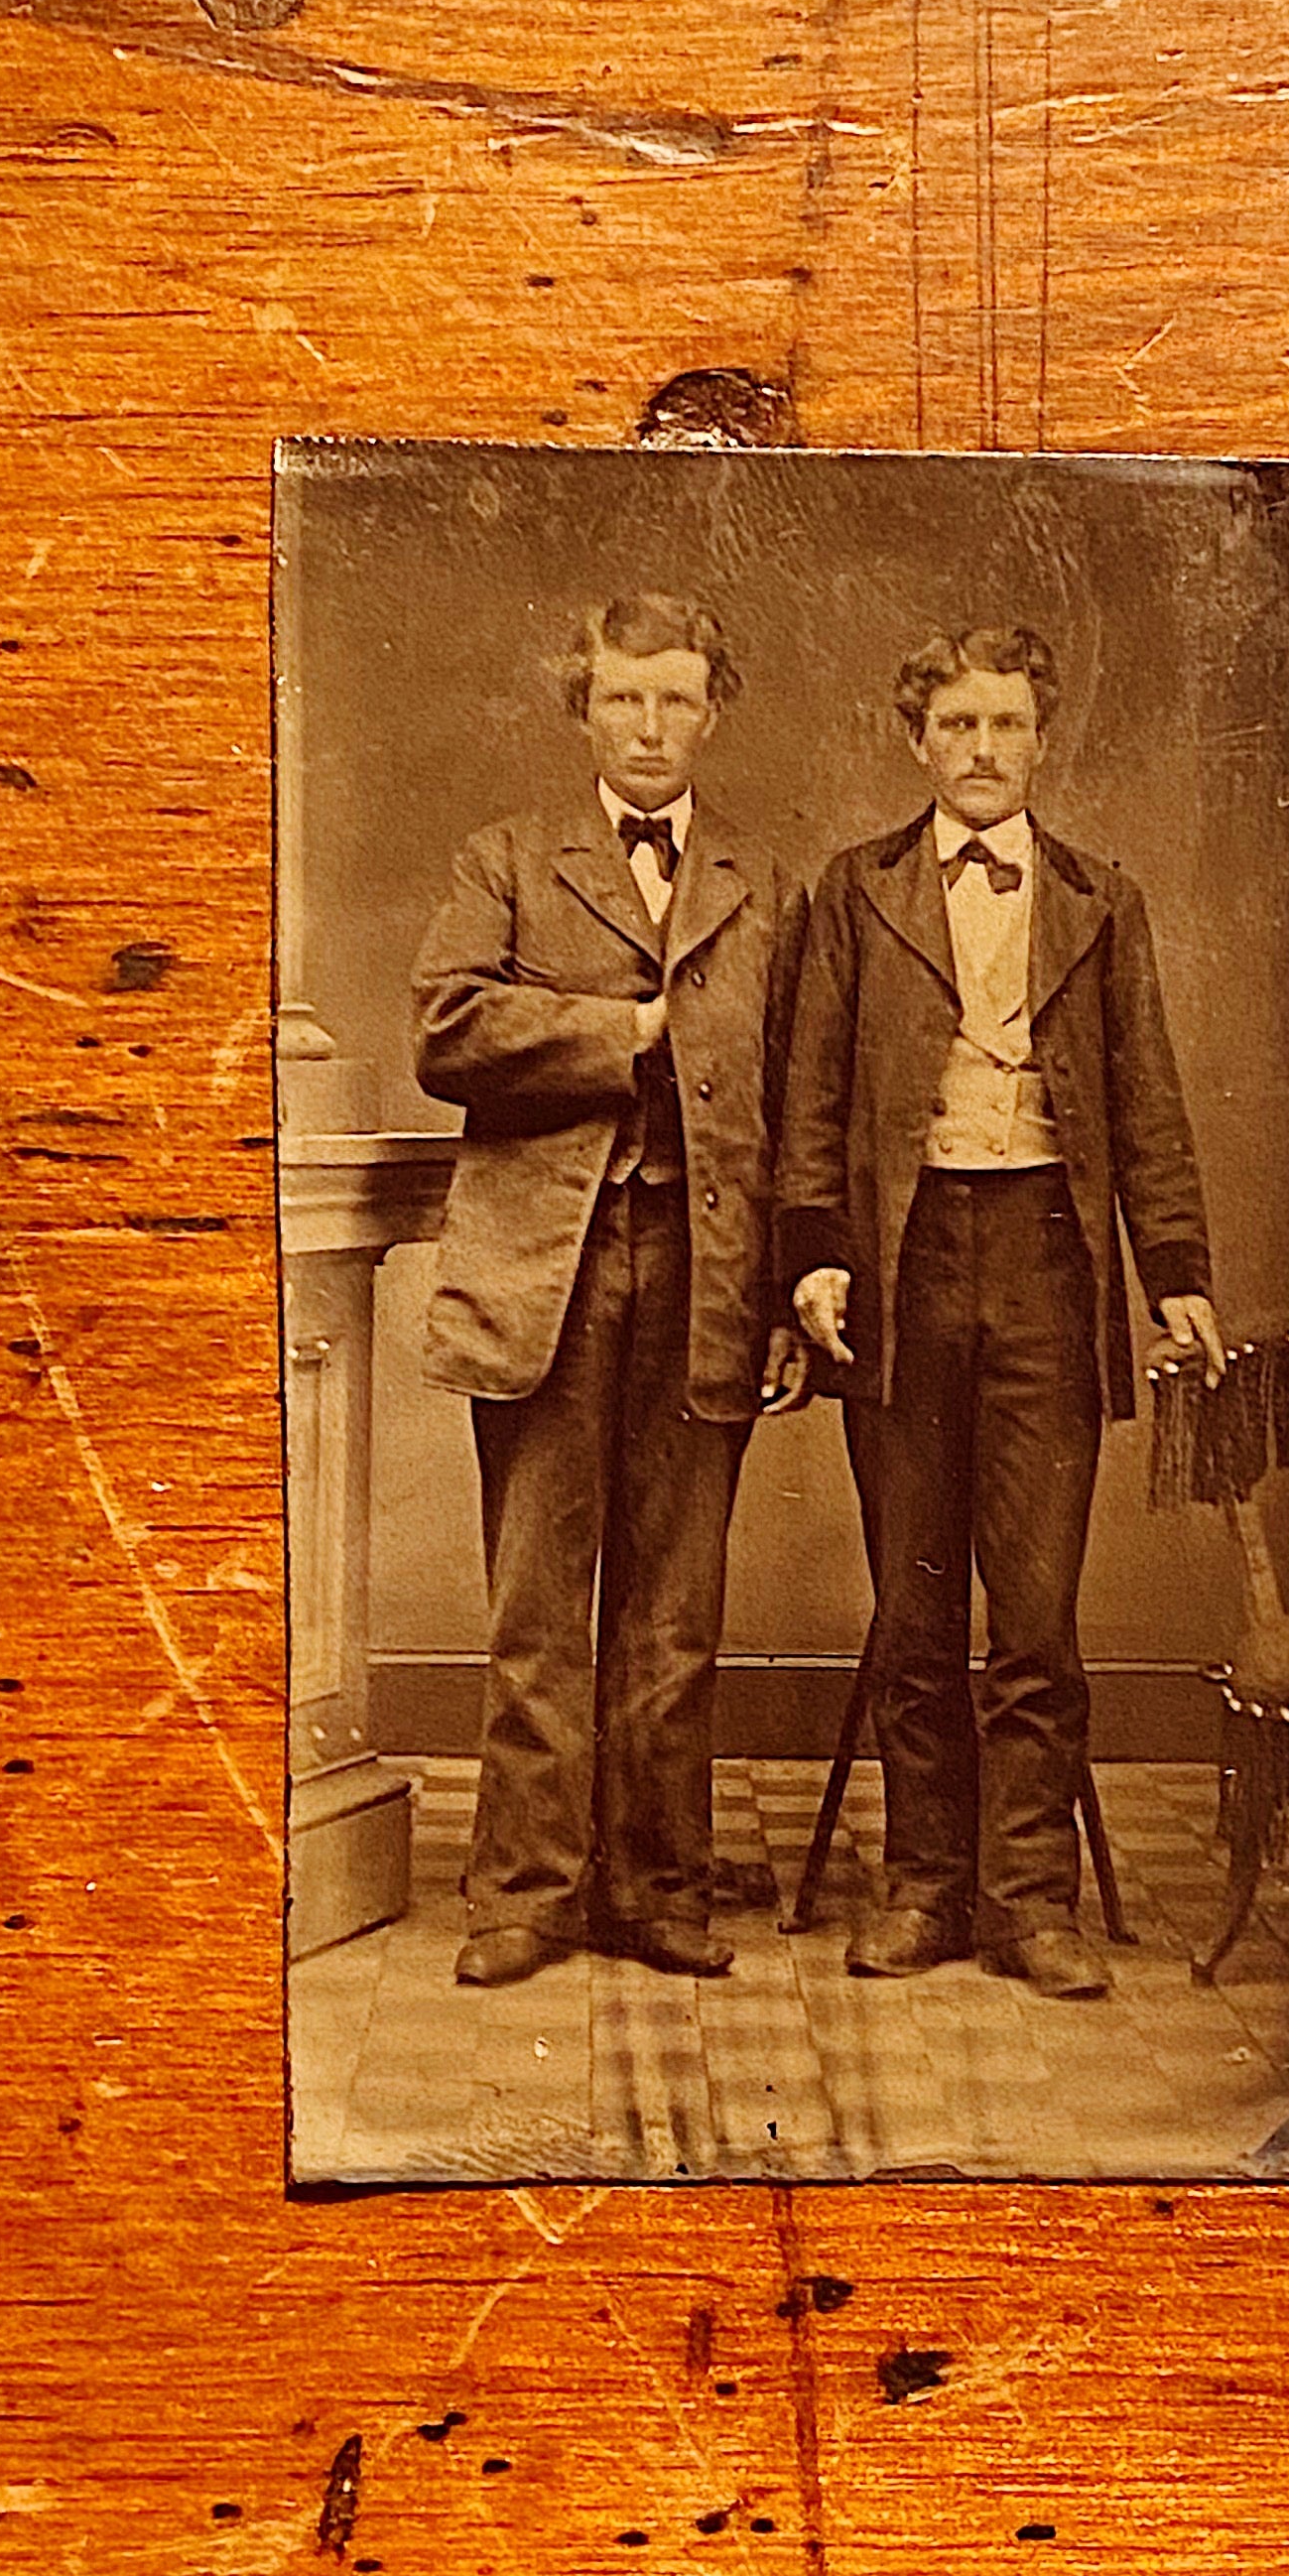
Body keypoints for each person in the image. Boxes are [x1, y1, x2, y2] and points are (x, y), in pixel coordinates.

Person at [777, 623, 1224, 1999]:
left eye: (1008, 726)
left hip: (1047, 1260)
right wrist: (815, 1255)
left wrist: (1179, 1272)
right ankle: (922, 1885)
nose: (982, 752)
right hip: (907, 1270)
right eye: (958, 726)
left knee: (1035, 1613)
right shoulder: (856, 892)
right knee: (916, 1607)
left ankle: (1030, 1901)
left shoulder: (1102, 897)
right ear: (918, 741)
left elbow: (1147, 1099)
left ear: (1042, 740)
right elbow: (812, 1097)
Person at [411, 591, 808, 1989]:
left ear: (713, 711)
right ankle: (522, 1892)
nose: (650, 726)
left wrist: (773, 1297)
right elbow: (444, 1028)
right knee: (536, 1608)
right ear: (583, 707)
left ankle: (655, 1887)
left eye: (677, 699)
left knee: (676, 1612)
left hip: (705, 1278)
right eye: (624, 698)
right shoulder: (507, 860)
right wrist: (621, 1032)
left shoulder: (765, 886)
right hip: (547, 1283)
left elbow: (791, 1105)